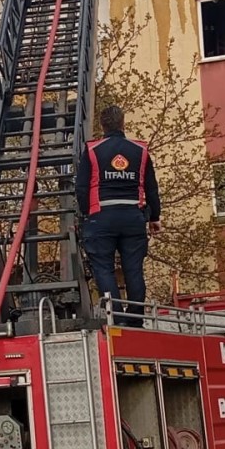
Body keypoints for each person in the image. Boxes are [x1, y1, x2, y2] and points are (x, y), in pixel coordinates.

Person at [75, 103, 161, 328]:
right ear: (123, 123)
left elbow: (82, 188)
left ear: (102, 126)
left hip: (101, 217)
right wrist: (154, 217)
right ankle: (135, 319)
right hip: (133, 217)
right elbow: (151, 188)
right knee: (134, 269)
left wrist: (87, 214)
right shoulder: (140, 151)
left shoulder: (93, 151)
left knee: (103, 268)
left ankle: (117, 318)